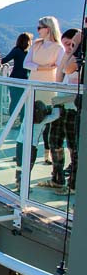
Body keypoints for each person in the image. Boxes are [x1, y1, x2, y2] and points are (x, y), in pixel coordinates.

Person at [24, 16, 64, 171]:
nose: (38, 30)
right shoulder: (36, 45)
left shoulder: (58, 48)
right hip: (34, 89)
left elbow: (59, 68)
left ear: (48, 28)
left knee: (40, 126)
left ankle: (29, 167)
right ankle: (27, 166)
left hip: (47, 91)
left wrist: (37, 66)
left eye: (40, 27)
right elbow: (25, 64)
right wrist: (45, 68)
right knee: (34, 128)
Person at [52, 28, 82, 194]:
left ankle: (73, 185)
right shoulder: (69, 57)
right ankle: (58, 179)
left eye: (70, 44)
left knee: (73, 147)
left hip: (72, 108)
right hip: (62, 106)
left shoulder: (78, 59)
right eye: (65, 45)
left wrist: (76, 47)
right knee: (55, 141)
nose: (68, 48)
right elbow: (59, 76)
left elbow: (68, 70)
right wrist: (67, 53)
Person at [2, 33, 33, 123]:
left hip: (15, 80)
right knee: (24, 103)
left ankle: (12, 122)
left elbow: (5, 60)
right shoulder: (28, 53)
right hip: (25, 80)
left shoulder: (16, 50)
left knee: (14, 101)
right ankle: (22, 123)